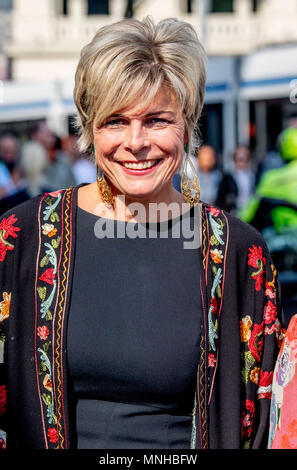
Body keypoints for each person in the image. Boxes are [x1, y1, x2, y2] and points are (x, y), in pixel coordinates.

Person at [0, 17, 283, 450]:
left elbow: (261, 419)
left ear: (187, 126)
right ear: (89, 128)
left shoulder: (238, 254)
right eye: (115, 121)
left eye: (156, 120)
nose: (135, 141)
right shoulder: (22, 238)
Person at [216, 145, 255, 214]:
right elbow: (220, 200)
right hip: (234, 214)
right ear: (234, 160)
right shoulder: (227, 178)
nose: (243, 162)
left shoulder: (256, 176)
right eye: (240, 159)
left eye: (247, 158)